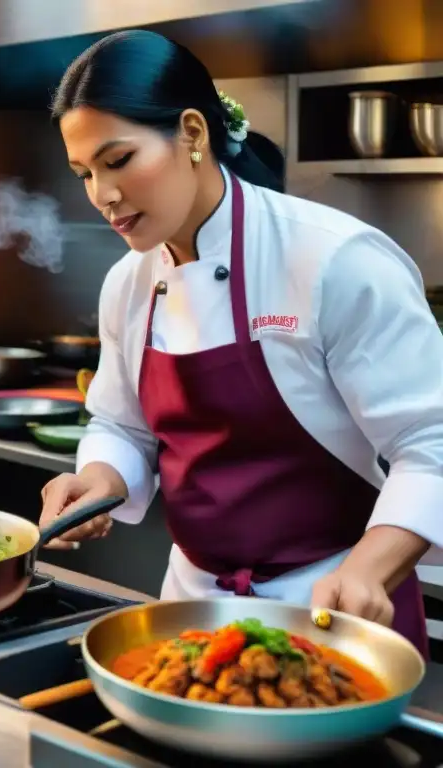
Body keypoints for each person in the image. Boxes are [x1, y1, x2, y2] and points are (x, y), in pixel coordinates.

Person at [38, 29, 442, 656]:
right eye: (84, 172)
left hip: (332, 607)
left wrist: (368, 568)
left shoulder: (336, 261)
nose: (103, 195)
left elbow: (431, 441)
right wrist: (98, 478)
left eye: (118, 161)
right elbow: (123, 427)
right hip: (193, 610)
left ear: (193, 134)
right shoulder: (127, 283)